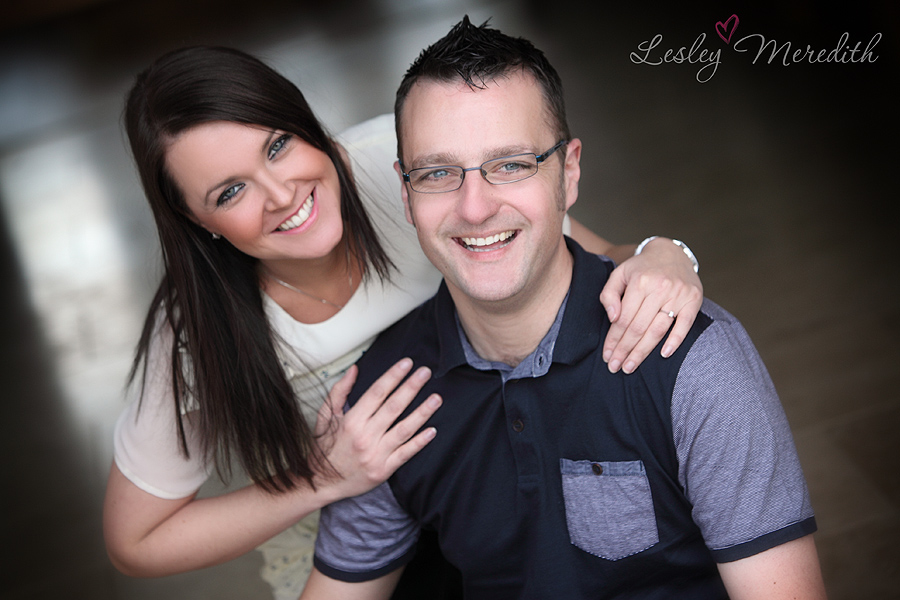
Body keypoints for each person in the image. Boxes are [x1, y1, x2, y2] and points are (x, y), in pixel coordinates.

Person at [101, 45, 704, 599]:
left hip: (498, 505)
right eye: (230, 192)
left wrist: (665, 253)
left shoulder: (419, 173)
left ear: (312, 129)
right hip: (345, 561)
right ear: (196, 219)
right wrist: (324, 477)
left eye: (278, 146)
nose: (281, 195)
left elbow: (595, 259)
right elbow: (137, 542)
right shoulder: (196, 334)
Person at [305, 17, 827, 599]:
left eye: (511, 164)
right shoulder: (387, 397)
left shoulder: (689, 358)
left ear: (568, 173)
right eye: (438, 173)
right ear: (406, 194)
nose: (474, 208)